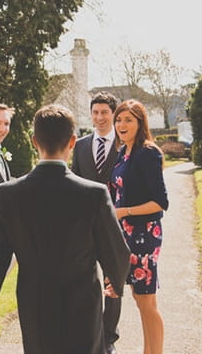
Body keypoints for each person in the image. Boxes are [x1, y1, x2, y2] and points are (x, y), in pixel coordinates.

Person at [0, 105, 130, 354]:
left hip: (36, 305)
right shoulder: (94, 194)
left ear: (34, 141)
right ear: (73, 141)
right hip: (83, 305)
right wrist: (115, 281)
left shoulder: (9, 194)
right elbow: (118, 253)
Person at [109, 99, 169, 354]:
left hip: (144, 234)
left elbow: (160, 203)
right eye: (119, 120)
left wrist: (124, 212)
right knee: (138, 298)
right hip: (126, 234)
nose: (121, 124)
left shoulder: (148, 152)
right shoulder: (123, 152)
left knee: (147, 301)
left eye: (128, 120)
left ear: (140, 122)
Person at [71, 91, 121, 354]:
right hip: (86, 227)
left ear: (113, 114)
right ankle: (89, 330)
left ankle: (108, 336)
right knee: (86, 278)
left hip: (116, 225)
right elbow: (74, 182)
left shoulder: (124, 145)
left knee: (114, 279)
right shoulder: (80, 146)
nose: (100, 117)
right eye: (96, 112)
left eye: (105, 112)